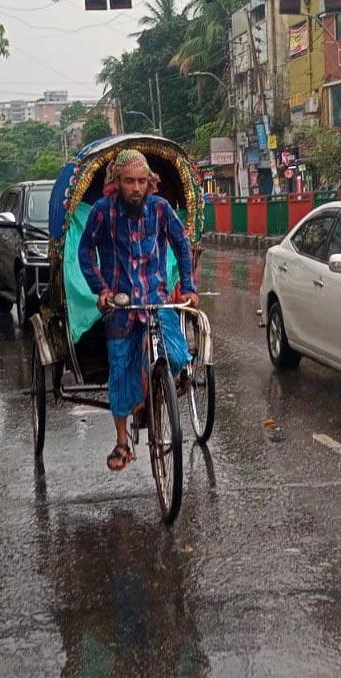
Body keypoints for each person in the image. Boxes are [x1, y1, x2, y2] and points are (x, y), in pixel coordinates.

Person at [78, 149, 200, 471]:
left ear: (150, 183)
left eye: (141, 181)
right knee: (119, 372)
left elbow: (181, 244)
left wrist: (188, 285)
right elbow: (85, 249)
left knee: (176, 356)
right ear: (116, 182)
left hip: (156, 300)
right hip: (121, 306)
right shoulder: (104, 212)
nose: (135, 187)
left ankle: (153, 383)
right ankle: (122, 442)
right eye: (129, 181)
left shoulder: (160, 209)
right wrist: (101, 289)